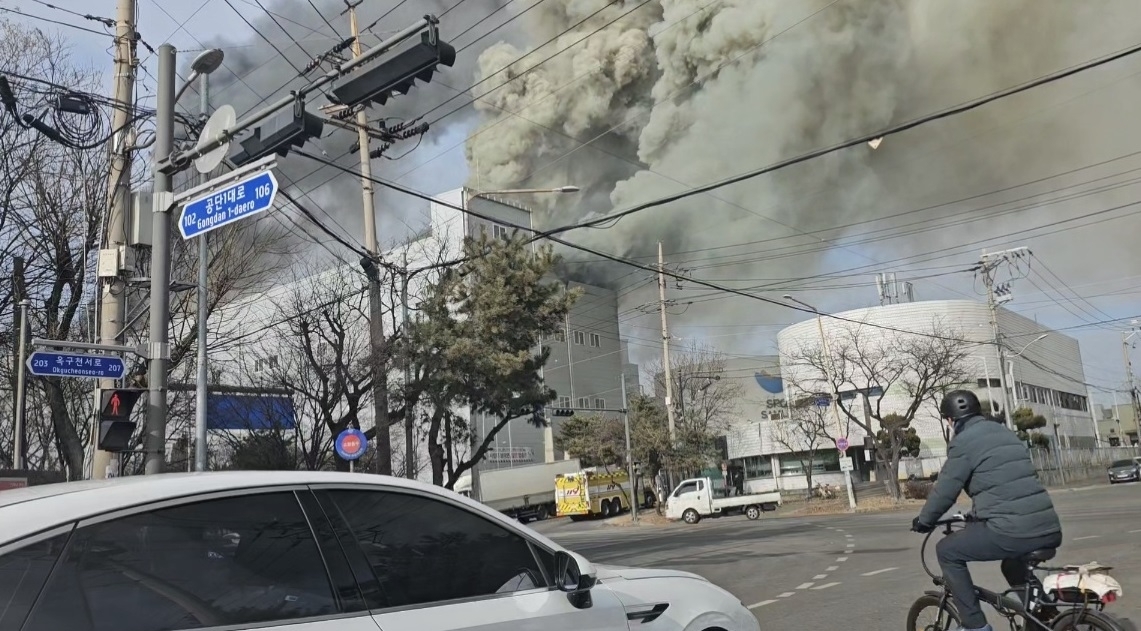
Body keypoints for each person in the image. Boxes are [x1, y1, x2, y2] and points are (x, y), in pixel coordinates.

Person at [911, 390, 1062, 631]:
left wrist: (924, 521)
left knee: (948, 551)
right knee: (1012, 564)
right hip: (1049, 527)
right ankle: (1044, 616)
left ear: (950, 420)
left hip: (1012, 530)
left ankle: (975, 626)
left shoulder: (963, 442)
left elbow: (946, 490)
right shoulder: (1005, 433)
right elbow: (1003, 484)